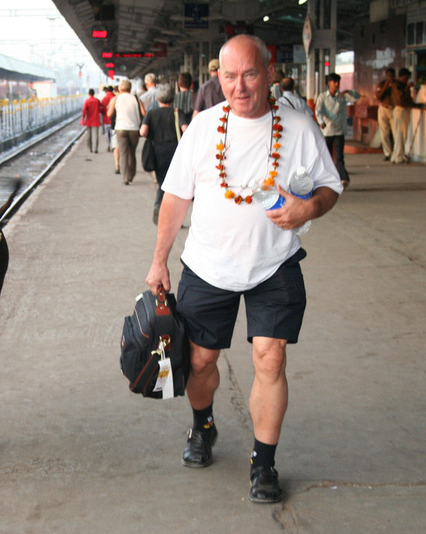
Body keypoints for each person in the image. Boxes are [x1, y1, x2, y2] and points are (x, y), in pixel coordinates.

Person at [145, 34, 342, 505]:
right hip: (207, 264)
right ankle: (202, 426)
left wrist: (308, 209)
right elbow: (176, 197)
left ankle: (264, 462)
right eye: (229, 76)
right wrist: (159, 261)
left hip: (274, 264)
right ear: (219, 78)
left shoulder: (298, 127)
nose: (240, 86)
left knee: (270, 359)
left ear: (269, 73)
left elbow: (330, 187)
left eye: (250, 74)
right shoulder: (204, 127)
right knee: (199, 362)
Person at [140, 84, 185, 224]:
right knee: (175, 185)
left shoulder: (151, 113)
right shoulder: (177, 112)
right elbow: (186, 129)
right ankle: (175, 217)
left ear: (158, 98)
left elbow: (143, 132)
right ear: (173, 98)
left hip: (157, 151)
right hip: (174, 152)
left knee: (162, 183)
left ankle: (158, 204)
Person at [315, 73, 360, 188]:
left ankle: (344, 178)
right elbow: (318, 111)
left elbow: (357, 97)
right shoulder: (323, 97)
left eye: (338, 82)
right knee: (328, 155)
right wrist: (322, 122)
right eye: (334, 82)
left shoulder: (342, 97)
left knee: (339, 157)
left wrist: (348, 92)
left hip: (339, 131)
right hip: (328, 131)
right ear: (329, 83)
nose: (336, 84)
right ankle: (329, 179)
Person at [107, 79, 145, 185]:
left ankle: (125, 178)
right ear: (130, 88)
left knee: (123, 153)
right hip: (134, 129)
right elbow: (143, 112)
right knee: (132, 152)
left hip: (120, 129)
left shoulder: (116, 98)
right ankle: (132, 174)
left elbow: (109, 114)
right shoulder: (136, 98)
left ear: (119, 88)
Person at [390, 68, 415, 164]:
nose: (407, 80)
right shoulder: (397, 85)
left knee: (399, 135)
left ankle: (395, 156)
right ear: (402, 77)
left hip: (401, 111)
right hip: (401, 110)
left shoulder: (399, 85)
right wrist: (407, 88)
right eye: (406, 78)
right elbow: (400, 98)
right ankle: (399, 157)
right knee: (401, 135)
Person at [375, 68, 396, 161]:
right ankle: (387, 153)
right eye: (388, 76)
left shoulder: (396, 84)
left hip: (393, 109)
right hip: (383, 108)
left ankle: (396, 153)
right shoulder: (382, 84)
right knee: (384, 132)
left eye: (392, 76)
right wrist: (385, 88)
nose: (390, 78)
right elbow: (378, 96)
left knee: (396, 132)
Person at [81, 88, 103, 153]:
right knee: (95, 135)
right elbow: (101, 108)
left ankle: (90, 148)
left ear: (89, 94)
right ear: (94, 93)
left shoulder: (87, 101)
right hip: (96, 120)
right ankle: (95, 149)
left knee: (89, 135)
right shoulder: (97, 101)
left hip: (89, 120)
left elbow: (84, 111)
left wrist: (83, 118)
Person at [100, 86, 115, 152]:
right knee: (113, 133)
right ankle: (113, 145)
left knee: (107, 133)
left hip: (106, 119)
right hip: (114, 119)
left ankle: (108, 145)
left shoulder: (104, 99)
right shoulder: (115, 98)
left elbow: (102, 110)